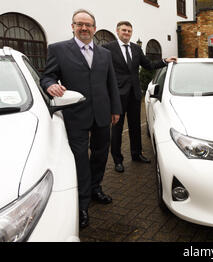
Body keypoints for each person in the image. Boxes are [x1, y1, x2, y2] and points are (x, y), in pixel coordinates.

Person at [40, 9, 122, 229]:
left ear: (94, 28)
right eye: (79, 24)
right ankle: (82, 203)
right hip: (75, 114)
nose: (84, 28)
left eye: (88, 25)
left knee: (100, 154)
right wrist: (50, 85)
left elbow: (111, 83)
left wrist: (116, 109)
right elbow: (47, 76)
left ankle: (96, 188)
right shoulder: (58, 49)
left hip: (103, 113)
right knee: (79, 159)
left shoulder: (104, 54)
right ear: (73, 26)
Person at [103, 21, 177, 173]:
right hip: (117, 95)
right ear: (117, 31)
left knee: (135, 127)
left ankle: (136, 154)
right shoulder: (107, 48)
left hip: (135, 94)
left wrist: (164, 62)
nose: (127, 33)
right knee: (117, 129)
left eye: (129, 31)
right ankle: (118, 160)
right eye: (124, 30)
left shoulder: (136, 48)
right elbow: (104, 71)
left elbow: (148, 65)